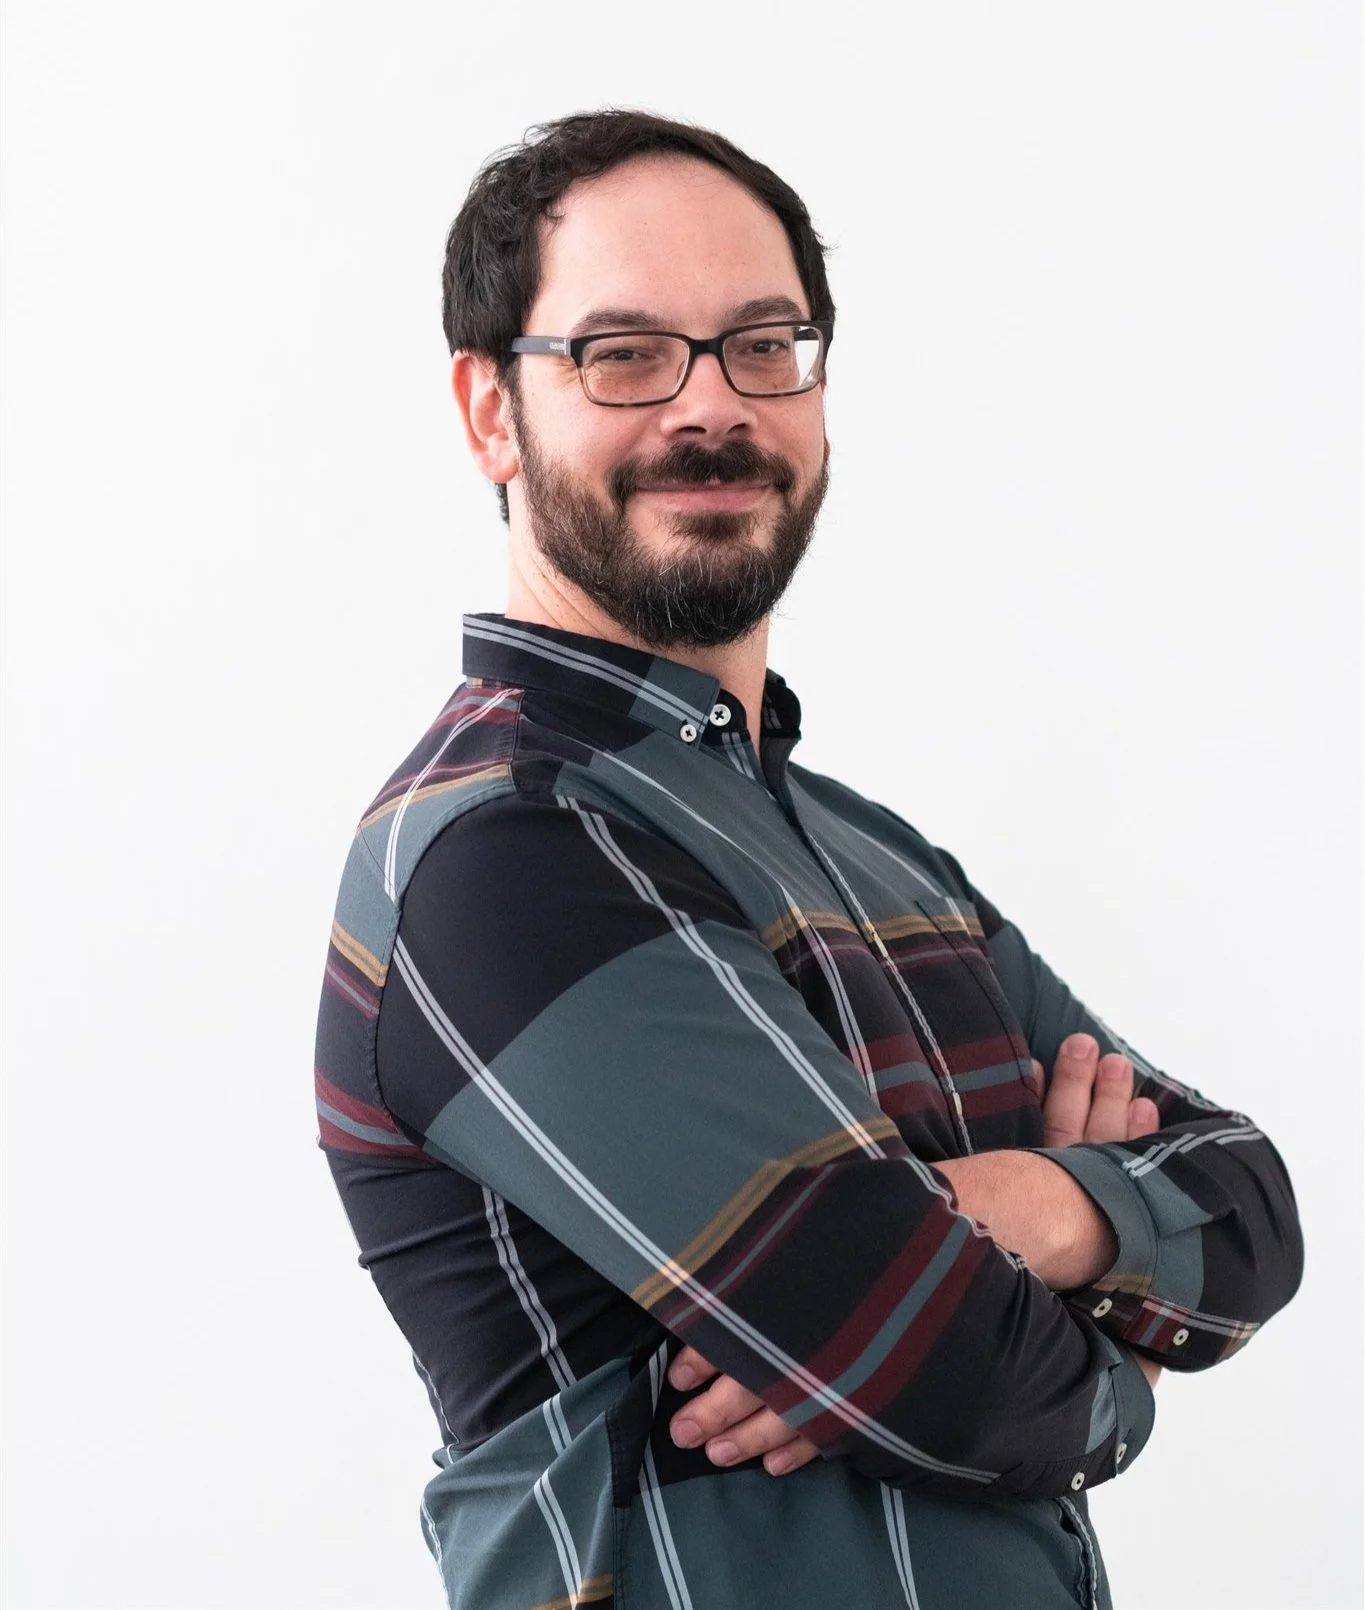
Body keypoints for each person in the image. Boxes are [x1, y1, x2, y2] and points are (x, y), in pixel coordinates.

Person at [314, 109, 1303, 1610]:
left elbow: (1254, 1209)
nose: (708, 410)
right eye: (622, 353)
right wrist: (1106, 1346)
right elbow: (970, 1381)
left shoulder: (876, 855)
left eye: (763, 343)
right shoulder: (503, 853)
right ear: (490, 411)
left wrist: (1022, 1209)